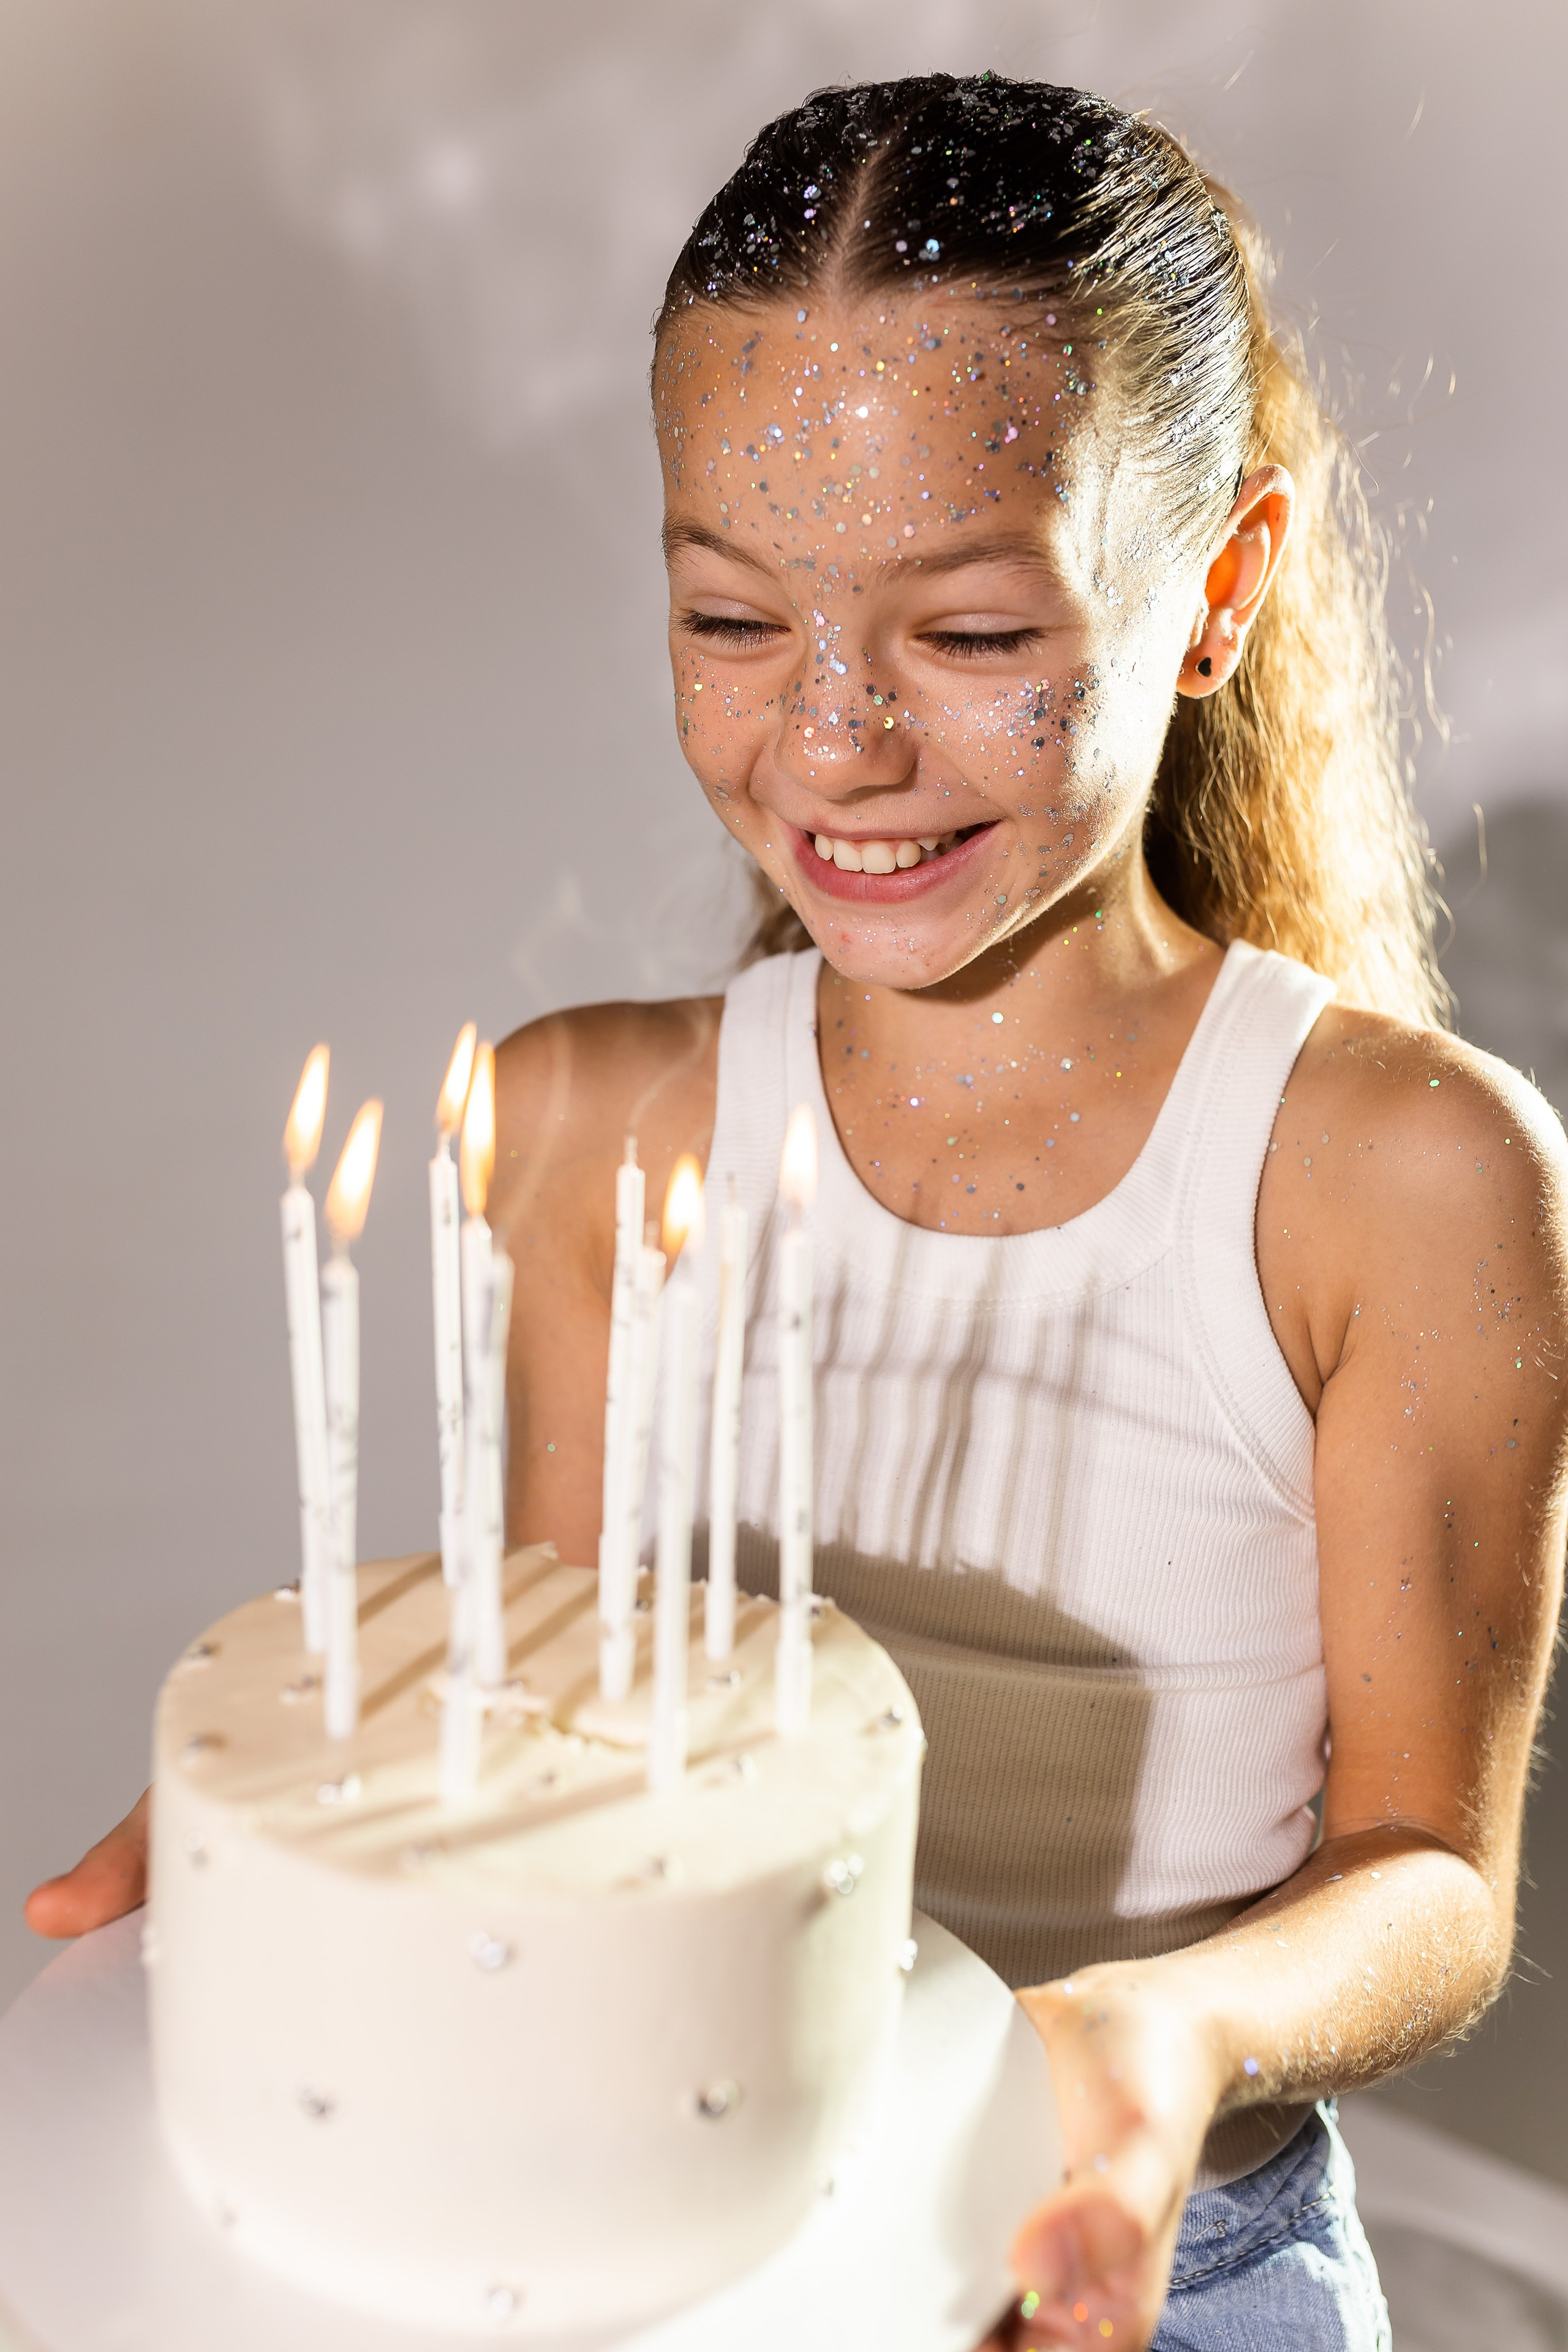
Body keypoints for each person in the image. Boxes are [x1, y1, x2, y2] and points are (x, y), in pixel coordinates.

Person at [27, 74, 1566, 2352]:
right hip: (682, 2243)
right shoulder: (585, 1133)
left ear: (1218, 591)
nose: (830, 744)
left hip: (1159, 2260)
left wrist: (1165, 2042)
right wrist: (333, 1845)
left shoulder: (1400, 1174)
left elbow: (1429, 1875)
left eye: (960, 635)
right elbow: (574, 1745)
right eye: (734, 619)